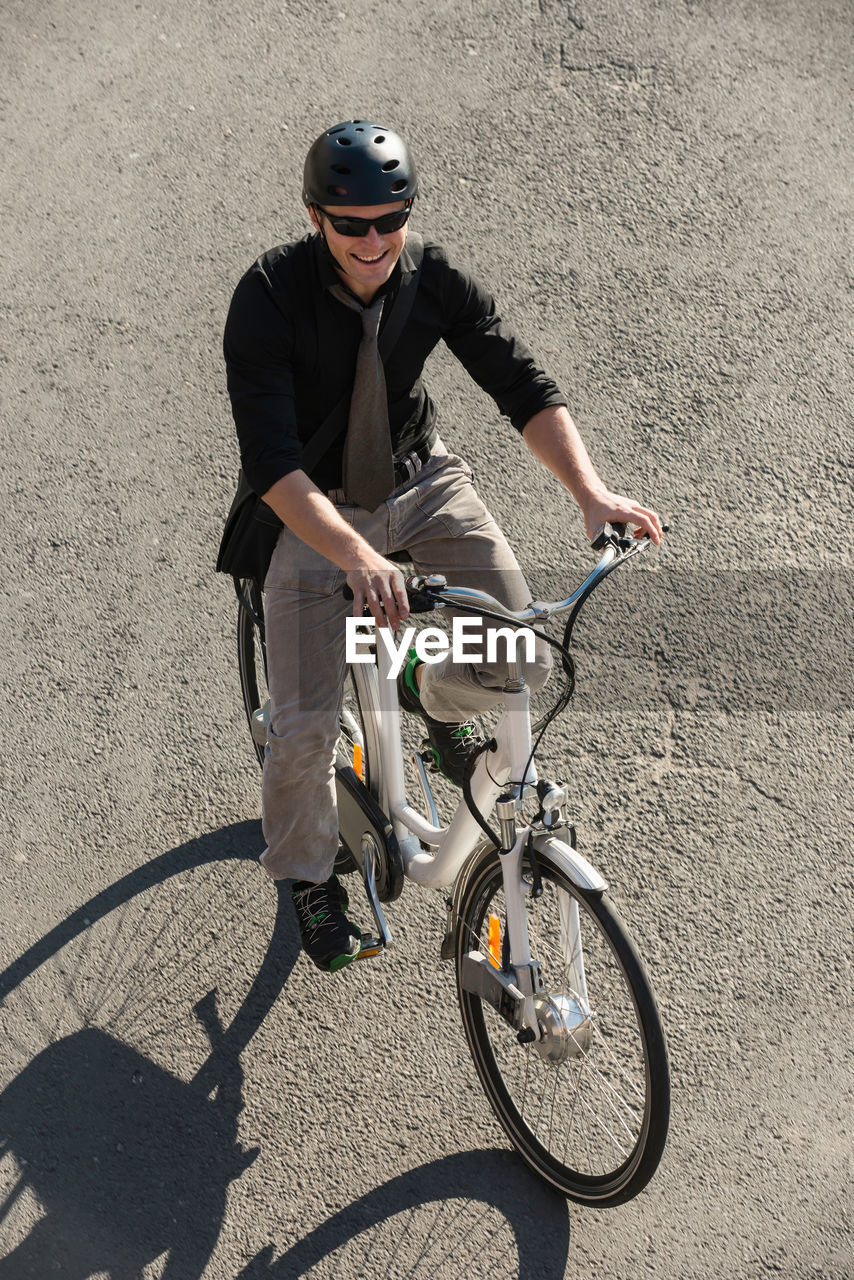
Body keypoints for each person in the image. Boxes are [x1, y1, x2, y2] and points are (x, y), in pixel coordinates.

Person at [223, 119, 662, 973]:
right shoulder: (268, 298)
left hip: (420, 483)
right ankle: (309, 875)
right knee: (308, 730)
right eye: (351, 223)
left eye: (392, 217)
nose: (375, 239)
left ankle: (428, 688)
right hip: (313, 514)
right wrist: (353, 556)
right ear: (315, 216)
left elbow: (520, 383)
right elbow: (273, 467)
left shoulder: (432, 274)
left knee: (523, 656)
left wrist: (591, 492)